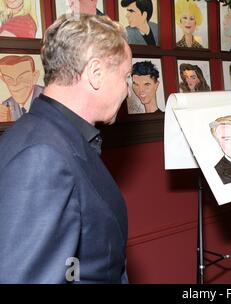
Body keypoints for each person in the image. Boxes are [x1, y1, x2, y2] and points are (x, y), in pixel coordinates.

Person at [0, 14, 130, 283]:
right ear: (96, 74)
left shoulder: (51, 135)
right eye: (125, 76)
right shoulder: (42, 157)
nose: (126, 89)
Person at [0, 55, 44, 122]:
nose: (16, 85)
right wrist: (6, 123)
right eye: (9, 80)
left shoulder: (47, 97)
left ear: (34, 77)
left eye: (22, 78)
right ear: (3, 80)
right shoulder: (6, 106)